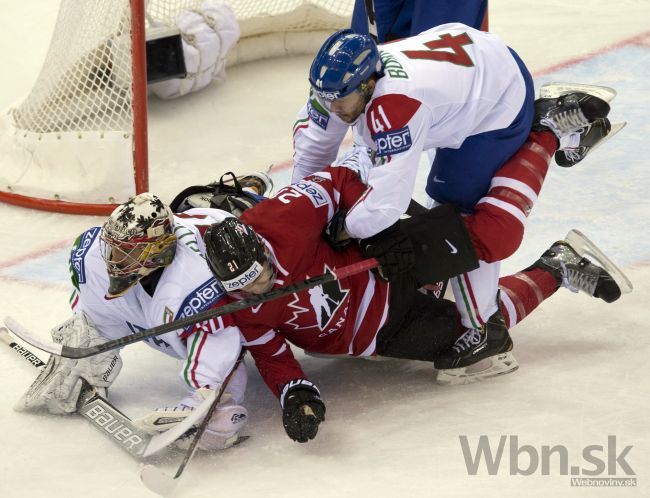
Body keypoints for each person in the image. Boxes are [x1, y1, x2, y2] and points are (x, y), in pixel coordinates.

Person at [203, 147, 627, 444]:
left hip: (390, 261)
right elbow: (273, 356)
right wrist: (296, 394)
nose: (257, 289)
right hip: (385, 334)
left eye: (259, 275)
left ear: (260, 247)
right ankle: (558, 266)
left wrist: (373, 231)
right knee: (476, 339)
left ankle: (542, 136)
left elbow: (339, 181)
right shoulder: (240, 305)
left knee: (486, 236)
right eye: (242, 286)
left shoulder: (279, 218)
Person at [292, 25, 614, 377]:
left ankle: (546, 127)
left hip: (495, 97)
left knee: (462, 221)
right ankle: (542, 270)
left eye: (342, 100)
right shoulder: (337, 89)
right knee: (445, 244)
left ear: (369, 83)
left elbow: (387, 203)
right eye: (327, 99)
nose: (333, 108)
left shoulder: (395, 106)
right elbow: (314, 149)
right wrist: (303, 212)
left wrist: (344, 227)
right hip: (470, 67)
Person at [15, 173, 273, 451]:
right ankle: (245, 186)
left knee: (244, 213)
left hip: (231, 231)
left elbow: (222, 340)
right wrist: (90, 341)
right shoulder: (93, 254)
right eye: (112, 247)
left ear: (157, 252)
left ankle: (248, 190)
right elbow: (96, 301)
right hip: (192, 213)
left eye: (126, 253)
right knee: (195, 202)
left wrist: (210, 393)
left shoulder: (193, 279)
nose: (112, 259)